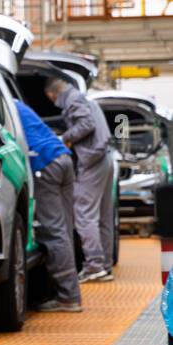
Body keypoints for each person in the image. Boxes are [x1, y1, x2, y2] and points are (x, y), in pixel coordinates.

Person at [15, 99, 82, 312]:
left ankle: (68, 297)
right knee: (64, 229)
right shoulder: (17, 102)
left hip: (45, 163)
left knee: (53, 231)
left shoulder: (0, 101)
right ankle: (68, 292)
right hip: (62, 157)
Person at [46, 76, 115, 283]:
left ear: (52, 94)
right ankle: (104, 265)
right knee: (103, 216)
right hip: (104, 158)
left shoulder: (72, 99)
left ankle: (94, 265)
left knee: (84, 215)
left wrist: (65, 138)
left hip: (92, 160)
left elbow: (86, 124)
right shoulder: (84, 97)